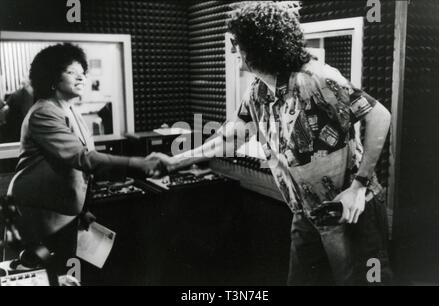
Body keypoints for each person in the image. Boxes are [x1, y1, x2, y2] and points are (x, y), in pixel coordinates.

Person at [148, 2, 393, 285]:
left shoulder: (318, 79)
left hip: (350, 210)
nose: (232, 49)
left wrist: (359, 186)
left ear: (259, 44)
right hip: (307, 214)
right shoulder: (257, 90)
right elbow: (230, 139)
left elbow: (379, 114)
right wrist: (175, 161)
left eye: (237, 42)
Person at [7, 43, 160, 275]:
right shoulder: (44, 112)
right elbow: (82, 158)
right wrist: (135, 163)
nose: (81, 77)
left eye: (83, 73)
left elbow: (79, 168)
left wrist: (81, 210)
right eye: (71, 72)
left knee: (67, 274)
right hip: (39, 213)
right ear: (51, 76)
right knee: (51, 274)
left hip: (63, 213)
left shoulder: (71, 110)